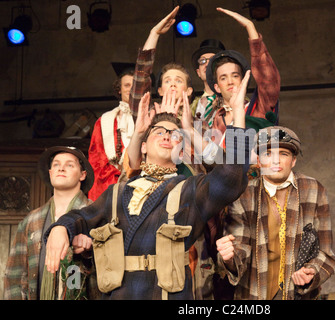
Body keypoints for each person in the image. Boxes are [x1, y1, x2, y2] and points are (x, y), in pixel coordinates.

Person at [43, 70, 254, 300]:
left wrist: (238, 119)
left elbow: (232, 176)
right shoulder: (117, 193)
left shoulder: (191, 190)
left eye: (174, 135)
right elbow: (81, 217)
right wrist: (59, 228)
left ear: (181, 151)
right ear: (143, 147)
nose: (166, 136)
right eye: (159, 131)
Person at [216, 126, 335, 300]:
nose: (276, 161)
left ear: (294, 160)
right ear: (258, 161)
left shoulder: (314, 189)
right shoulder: (243, 195)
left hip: (299, 295)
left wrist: (312, 271)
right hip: (253, 296)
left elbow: (325, 252)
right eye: (268, 154)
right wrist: (229, 259)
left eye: (283, 153)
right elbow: (240, 247)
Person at [4, 146, 99, 300]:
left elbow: (112, 273)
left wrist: (90, 253)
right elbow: (14, 275)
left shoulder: (96, 214)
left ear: (82, 175)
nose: (61, 168)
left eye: (69, 165)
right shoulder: (31, 220)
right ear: (50, 173)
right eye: (56, 164)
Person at [204, 7, 281, 147]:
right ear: (217, 87)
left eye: (235, 75)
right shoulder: (214, 120)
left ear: (243, 80)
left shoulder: (258, 108)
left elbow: (267, 79)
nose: (230, 81)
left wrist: (250, 28)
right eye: (223, 78)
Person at [88, 65, 135, 200]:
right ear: (119, 89)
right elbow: (97, 159)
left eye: (135, 85)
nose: (131, 89)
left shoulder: (151, 117)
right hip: (111, 187)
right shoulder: (105, 121)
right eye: (127, 85)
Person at [190, 39, 226, 122]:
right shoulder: (193, 106)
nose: (207, 64)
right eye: (202, 61)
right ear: (198, 72)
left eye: (213, 60)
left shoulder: (236, 98)